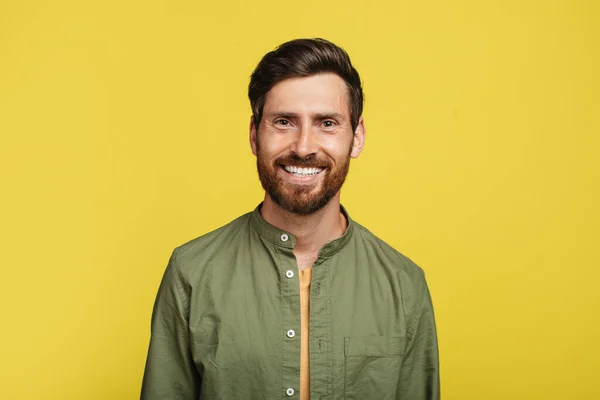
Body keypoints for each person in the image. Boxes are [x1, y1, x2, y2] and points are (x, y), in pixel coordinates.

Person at [141, 38, 440, 400]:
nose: (303, 146)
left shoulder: (404, 285)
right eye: (284, 122)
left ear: (356, 137)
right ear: (254, 134)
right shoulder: (190, 272)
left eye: (327, 123)